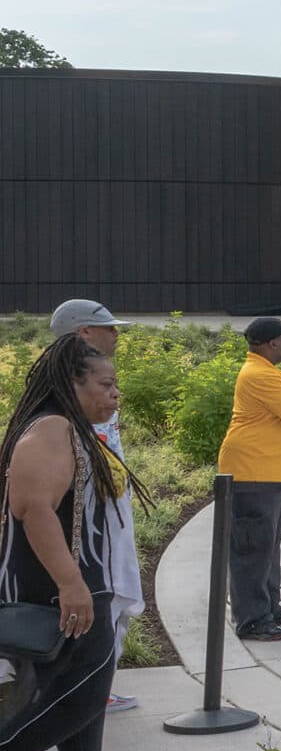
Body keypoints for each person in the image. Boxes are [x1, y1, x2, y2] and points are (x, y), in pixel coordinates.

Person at [0, 335, 159, 751]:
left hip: (70, 582)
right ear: (73, 383)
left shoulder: (63, 428)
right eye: (106, 384)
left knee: (83, 691)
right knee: (82, 696)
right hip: (59, 588)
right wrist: (71, 584)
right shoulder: (52, 428)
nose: (115, 395)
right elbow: (34, 509)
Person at [49, 300, 142, 714]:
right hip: (92, 525)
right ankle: (89, 690)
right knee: (103, 603)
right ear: (83, 332)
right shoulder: (73, 390)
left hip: (109, 515)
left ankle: (97, 687)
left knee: (114, 602)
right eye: (108, 328)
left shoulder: (93, 378)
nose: (116, 334)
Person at [218, 318, 281, 641]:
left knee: (268, 544)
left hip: (266, 472)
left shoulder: (267, 373)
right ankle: (252, 619)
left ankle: (269, 605)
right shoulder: (260, 374)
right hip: (251, 472)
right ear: (271, 343)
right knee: (251, 546)